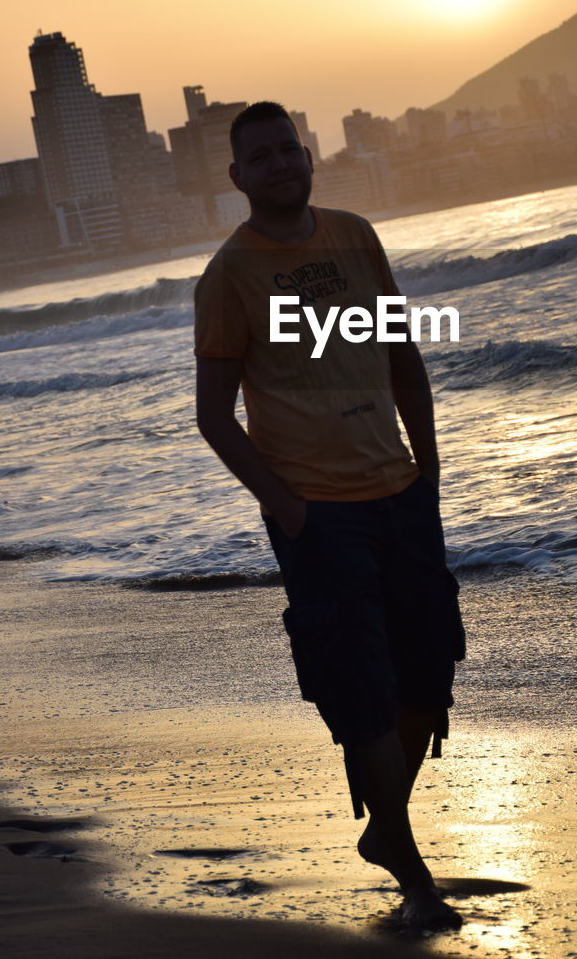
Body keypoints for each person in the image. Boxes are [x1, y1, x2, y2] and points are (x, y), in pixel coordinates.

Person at [194, 101, 465, 931]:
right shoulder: (228, 276)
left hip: (399, 491)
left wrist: (427, 467)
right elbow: (213, 415)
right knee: (360, 690)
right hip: (318, 512)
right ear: (237, 177)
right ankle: (414, 876)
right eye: (260, 157)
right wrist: (289, 510)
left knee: (428, 672)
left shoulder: (354, 235)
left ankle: (384, 827)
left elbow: (401, 357)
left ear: (307, 157)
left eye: (289, 150)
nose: (279, 164)